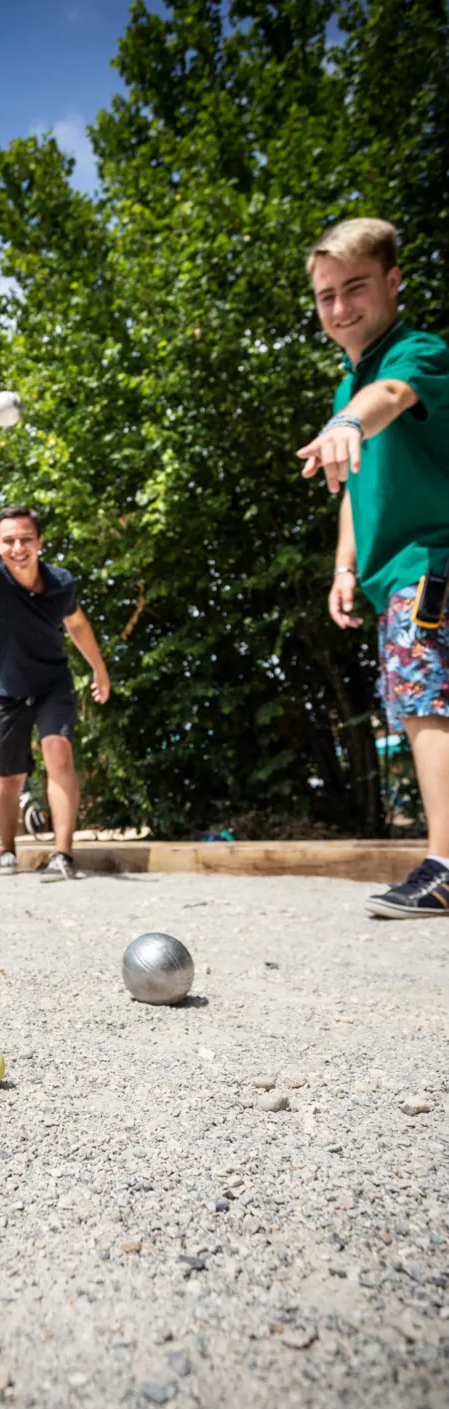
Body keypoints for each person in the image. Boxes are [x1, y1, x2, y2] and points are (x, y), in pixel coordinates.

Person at [297, 216, 449, 917]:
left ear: (393, 281)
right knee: (421, 707)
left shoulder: (414, 353)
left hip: (432, 561)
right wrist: (344, 568)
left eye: (354, 287)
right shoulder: (344, 389)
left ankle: (445, 865)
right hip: (395, 575)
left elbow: (385, 403)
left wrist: (350, 422)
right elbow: (355, 493)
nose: (339, 308)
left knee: (425, 709)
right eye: (326, 295)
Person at [0, 449, 110, 880]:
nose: (17, 547)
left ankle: (62, 853)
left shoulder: (60, 582)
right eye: (8, 539)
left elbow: (79, 626)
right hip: (8, 691)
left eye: (26, 538)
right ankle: (7, 849)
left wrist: (100, 670)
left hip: (53, 683)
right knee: (10, 779)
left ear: (40, 542)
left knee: (58, 751)